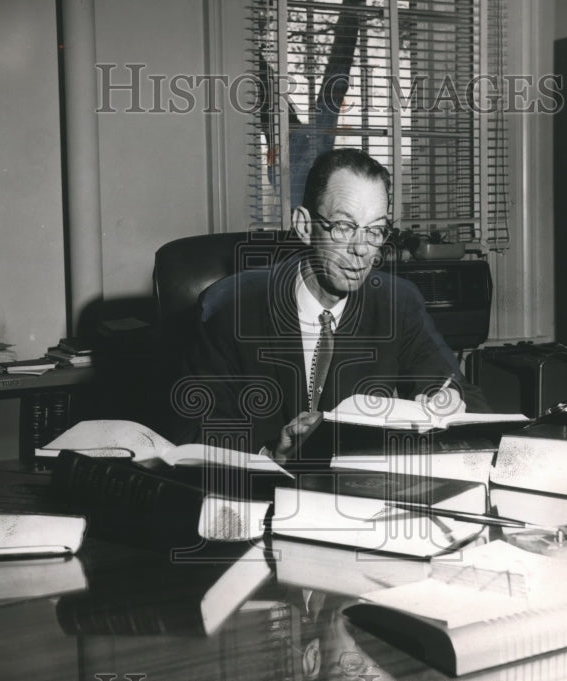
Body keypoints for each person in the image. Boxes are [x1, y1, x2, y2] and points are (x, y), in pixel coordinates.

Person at [174, 148, 488, 461]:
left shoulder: (397, 303)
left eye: (375, 230)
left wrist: (446, 398)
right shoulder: (231, 306)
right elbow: (194, 431)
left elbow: (466, 395)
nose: (362, 250)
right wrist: (270, 454)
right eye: (344, 227)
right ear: (304, 226)